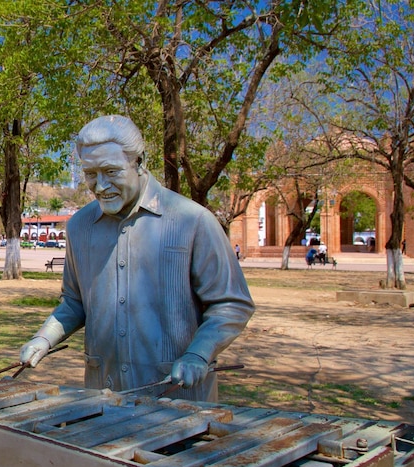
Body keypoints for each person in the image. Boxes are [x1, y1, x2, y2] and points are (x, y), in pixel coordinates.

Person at [19, 115, 254, 402]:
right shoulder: (79, 227)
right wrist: (44, 337)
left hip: (178, 401)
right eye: (91, 174)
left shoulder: (193, 221)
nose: (100, 185)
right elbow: (74, 302)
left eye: (111, 171)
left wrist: (198, 353)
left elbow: (231, 304)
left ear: (139, 161)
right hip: (103, 399)